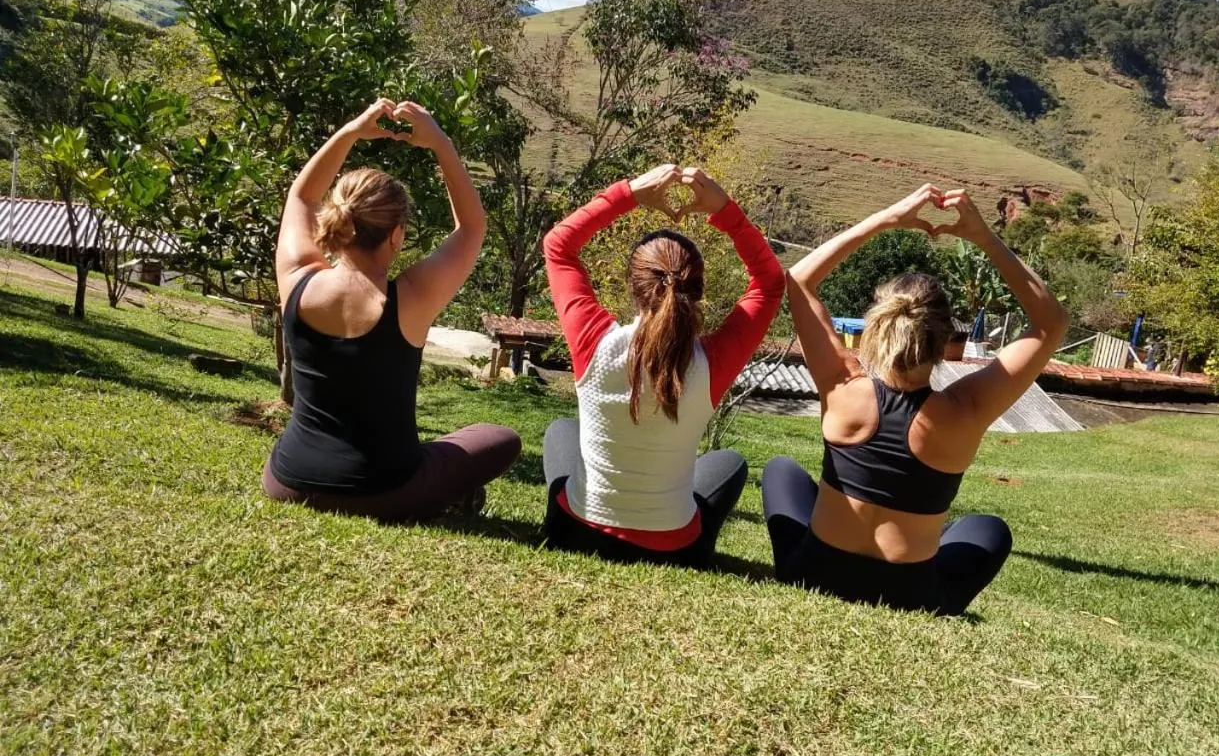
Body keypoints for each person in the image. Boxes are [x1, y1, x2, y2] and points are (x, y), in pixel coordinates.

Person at [762, 184, 1068, 615]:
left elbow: (798, 279)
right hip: (909, 595)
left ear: (875, 327)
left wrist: (887, 217)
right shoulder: (966, 410)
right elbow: (1051, 322)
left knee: (780, 471)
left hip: (814, 573)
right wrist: (983, 236)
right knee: (987, 529)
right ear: (946, 341)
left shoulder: (842, 386)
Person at [261, 99, 521, 521]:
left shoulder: (297, 280)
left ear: (336, 220)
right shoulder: (411, 299)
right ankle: (446, 496)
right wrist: (441, 144)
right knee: (500, 438)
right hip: (385, 492)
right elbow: (472, 226)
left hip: (288, 482)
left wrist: (350, 131)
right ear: (396, 236)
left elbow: (302, 196)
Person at [540, 165, 785, 566]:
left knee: (561, 431)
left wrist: (630, 193)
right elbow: (770, 283)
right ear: (698, 291)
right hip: (674, 551)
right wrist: (724, 209)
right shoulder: (711, 363)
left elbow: (558, 246)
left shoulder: (595, 342)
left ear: (632, 287)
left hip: (576, 534)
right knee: (731, 463)